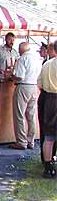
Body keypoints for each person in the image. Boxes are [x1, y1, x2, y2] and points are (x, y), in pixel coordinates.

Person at [8, 42, 42, 150]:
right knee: (31, 115)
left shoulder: (22, 59)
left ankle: (21, 142)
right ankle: (30, 141)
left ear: (21, 49)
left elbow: (19, 76)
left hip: (23, 87)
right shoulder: (37, 59)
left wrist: (11, 76)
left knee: (19, 115)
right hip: (34, 87)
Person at [37, 44, 57, 178]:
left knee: (48, 136)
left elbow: (39, 83)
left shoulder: (47, 64)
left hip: (48, 98)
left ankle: (48, 167)